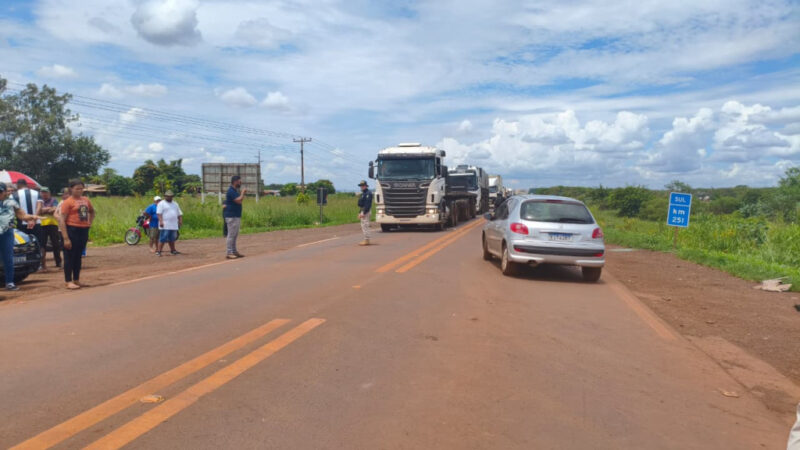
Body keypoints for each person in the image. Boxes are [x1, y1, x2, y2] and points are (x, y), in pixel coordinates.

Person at [0, 182, 41, 291]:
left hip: (7, 232)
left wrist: (32, 216)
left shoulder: (12, 203)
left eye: (0, 191)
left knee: (8, 258)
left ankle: (9, 283)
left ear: (5, 192)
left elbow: (22, 215)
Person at [55, 179, 94, 290]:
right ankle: (68, 281)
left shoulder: (86, 200)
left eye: (81, 188)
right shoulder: (67, 202)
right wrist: (66, 238)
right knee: (69, 257)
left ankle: (76, 279)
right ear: (71, 189)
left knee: (78, 256)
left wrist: (89, 222)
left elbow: (92, 212)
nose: (80, 191)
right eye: (77, 189)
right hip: (71, 230)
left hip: (83, 230)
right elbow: (62, 220)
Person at [36, 187, 62, 270]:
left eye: (45, 192)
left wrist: (44, 210)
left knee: (56, 244)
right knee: (42, 244)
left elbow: (55, 210)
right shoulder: (39, 201)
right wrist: (48, 209)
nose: (44, 194)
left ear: (49, 193)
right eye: (42, 192)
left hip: (53, 224)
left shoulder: (54, 200)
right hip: (42, 224)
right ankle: (42, 264)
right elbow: (38, 211)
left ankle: (58, 262)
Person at [13, 179, 42, 246]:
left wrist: (27, 220)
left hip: (22, 223)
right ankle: (39, 256)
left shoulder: (14, 195)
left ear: (18, 185)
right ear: (26, 184)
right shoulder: (37, 193)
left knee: (23, 244)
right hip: (36, 222)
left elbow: (15, 211)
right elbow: (39, 207)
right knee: (38, 243)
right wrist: (33, 220)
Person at [223, 175, 245, 259]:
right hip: (231, 216)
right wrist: (243, 193)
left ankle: (234, 251)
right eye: (239, 181)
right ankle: (229, 252)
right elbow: (238, 201)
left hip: (236, 215)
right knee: (231, 235)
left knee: (235, 235)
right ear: (235, 181)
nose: (240, 183)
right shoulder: (231, 191)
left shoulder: (234, 191)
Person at [156, 190, 182, 256]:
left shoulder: (175, 204)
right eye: (168, 196)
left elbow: (179, 213)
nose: (169, 197)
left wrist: (180, 221)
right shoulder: (161, 203)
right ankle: (159, 251)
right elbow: (159, 214)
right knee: (163, 238)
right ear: (165, 196)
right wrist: (161, 222)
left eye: (171, 196)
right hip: (165, 224)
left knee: (172, 238)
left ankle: (173, 250)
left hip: (173, 224)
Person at [357, 180, 373, 246]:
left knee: (365, 225)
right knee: (363, 225)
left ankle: (367, 240)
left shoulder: (368, 193)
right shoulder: (363, 193)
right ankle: (366, 239)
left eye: (363, 186)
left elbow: (367, 205)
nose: (362, 187)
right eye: (361, 186)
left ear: (366, 186)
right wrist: (359, 212)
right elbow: (361, 204)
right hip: (363, 210)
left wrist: (363, 213)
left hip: (366, 211)